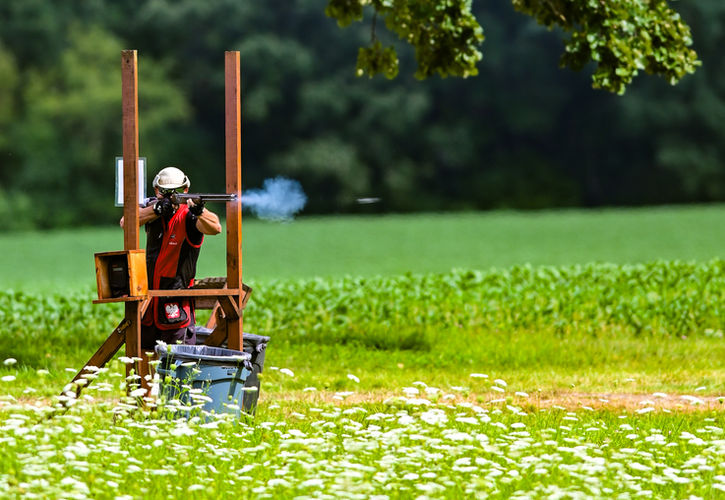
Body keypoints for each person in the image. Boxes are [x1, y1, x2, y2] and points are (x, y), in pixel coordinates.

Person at [120, 166, 222, 350]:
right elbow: (125, 222)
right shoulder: (152, 210)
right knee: (142, 361)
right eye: (164, 192)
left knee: (179, 366)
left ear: (185, 190)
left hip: (177, 302)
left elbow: (215, 227)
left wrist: (200, 212)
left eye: (174, 192)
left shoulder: (189, 216)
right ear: (157, 191)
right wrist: (157, 209)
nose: (169, 196)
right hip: (148, 303)